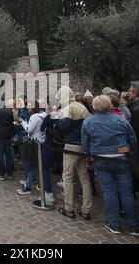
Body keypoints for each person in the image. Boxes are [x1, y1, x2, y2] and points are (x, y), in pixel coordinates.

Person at [82, 95, 139, 235]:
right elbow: (132, 139)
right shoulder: (121, 119)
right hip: (121, 158)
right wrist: (133, 153)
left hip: (101, 159)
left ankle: (114, 223)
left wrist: (88, 155)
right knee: (126, 192)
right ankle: (134, 225)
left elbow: (85, 142)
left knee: (109, 192)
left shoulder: (89, 121)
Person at [55, 86, 92, 219]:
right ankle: (86, 210)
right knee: (84, 178)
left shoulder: (68, 108)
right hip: (84, 146)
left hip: (71, 146)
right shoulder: (83, 107)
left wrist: (56, 119)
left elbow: (63, 126)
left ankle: (69, 208)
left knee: (68, 177)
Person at [17, 101, 54, 205]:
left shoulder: (34, 117)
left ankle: (30, 187)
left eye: (29, 107)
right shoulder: (45, 115)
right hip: (44, 142)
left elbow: (29, 130)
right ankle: (39, 185)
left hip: (35, 143)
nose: (28, 109)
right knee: (39, 166)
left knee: (33, 165)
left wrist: (22, 122)